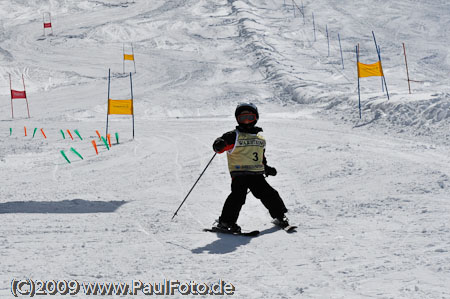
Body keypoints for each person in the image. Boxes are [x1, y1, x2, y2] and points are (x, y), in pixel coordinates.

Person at [212, 103, 289, 233]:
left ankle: (280, 216)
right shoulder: (233, 135)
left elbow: (260, 158)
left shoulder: (260, 139)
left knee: (270, 194)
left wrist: (267, 168)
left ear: (256, 118)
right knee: (237, 197)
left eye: (250, 117)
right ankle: (225, 222)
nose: (246, 121)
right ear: (237, 119)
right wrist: (219, 144)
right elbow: (220, 146)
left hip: (257, 174)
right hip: (239, 174)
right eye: (243, 118)